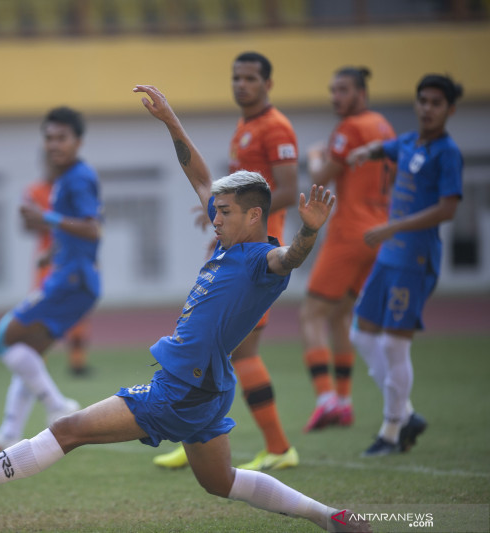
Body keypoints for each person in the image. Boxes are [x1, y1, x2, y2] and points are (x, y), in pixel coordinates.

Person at [0, 86, 370, 533]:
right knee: (222, 481)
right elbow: (198, 177)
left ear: (254, 217)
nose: (214, 217)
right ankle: (329, 518)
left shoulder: (261, 259)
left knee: (68, 429)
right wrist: (170, 120)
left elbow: (290, 257)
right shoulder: (229, 243)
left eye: (226, 212)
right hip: (206, 388)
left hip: (182, 389)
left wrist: (309, 232)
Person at [154, 51, 299, 471]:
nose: (241, 85)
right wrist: (222, 216)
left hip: (255, 257)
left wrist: (238, 219)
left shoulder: (275, 127)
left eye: (250, 78)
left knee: (242, 351)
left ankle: (277, 446)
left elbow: (285, 189)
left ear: (267, 83)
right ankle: (197, 435)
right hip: (234, 249)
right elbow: (205, 180)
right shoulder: (245, 127)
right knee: (220, 349)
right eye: (236, 77)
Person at [0, 106, 102, 455]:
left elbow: (92, 227)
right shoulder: (65, 178)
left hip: (72, 280)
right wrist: (53, 249)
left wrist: (47, 218)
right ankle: (10, 433)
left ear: (78, 141)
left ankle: (57, 405)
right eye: (49, 138)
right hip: (73, 276)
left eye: (62, 138)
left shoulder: (78, 178)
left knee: (4, 338)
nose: (54, 144)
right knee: (29, 355)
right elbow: (73, 227)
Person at [346, 74, 463, 457]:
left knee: (395, 345)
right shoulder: (411, 142)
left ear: (450, 109)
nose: (427, 108)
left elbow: (448, 208)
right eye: (423, 101)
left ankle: (391, 432)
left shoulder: (448, 152)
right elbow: (389, 148)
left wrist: (394, 225)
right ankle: (408, 412)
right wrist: (367, 151)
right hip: (389, 255)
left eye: (436, 103)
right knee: (361, 334)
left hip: (414, 259)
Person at [300, 67, 396, 432]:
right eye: (332, 90)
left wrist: (313, 156)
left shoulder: (350, 129)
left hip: (349, 233)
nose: (334, 97)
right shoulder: (383, 126)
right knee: (340, 315)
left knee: (310, 315)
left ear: (361, 92)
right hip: (377, 232)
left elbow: (320, 177)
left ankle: (326, 399)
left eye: (342, 90)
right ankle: (344, 401)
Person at [24, 161, 92, 377]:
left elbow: (86, 223)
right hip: (47, 260)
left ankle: (77, 364)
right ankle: (36, 363)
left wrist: (53, 220)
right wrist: (57, 222)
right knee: (42, 311)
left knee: (78, 310)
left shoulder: (73, 188)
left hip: (72, 258)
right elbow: (26, 223)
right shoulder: (34, 191)